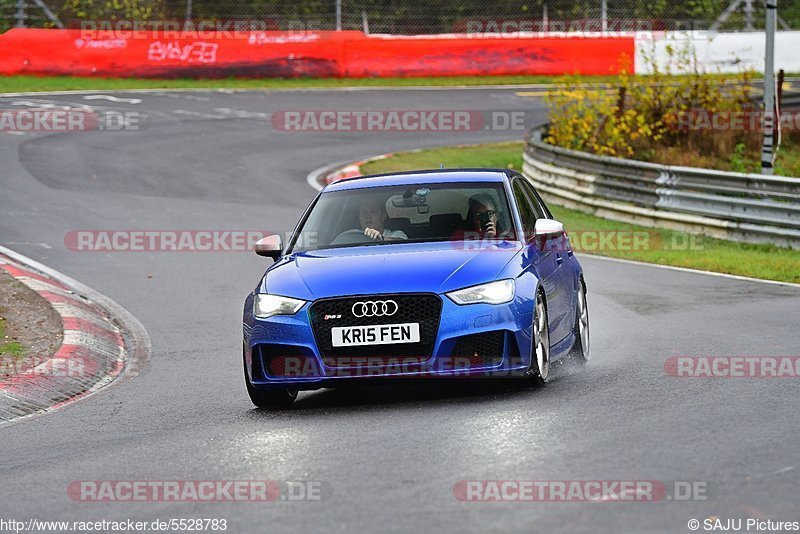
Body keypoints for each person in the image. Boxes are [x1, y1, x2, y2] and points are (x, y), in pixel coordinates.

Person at [333, 198, 407, 244]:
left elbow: (402, 243)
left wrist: (380, 239)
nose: (367, 216)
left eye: (373, 212)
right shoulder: (348, 237)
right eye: (364, 212)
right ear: (359, 216)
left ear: (383, 216)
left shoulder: (396, 234)